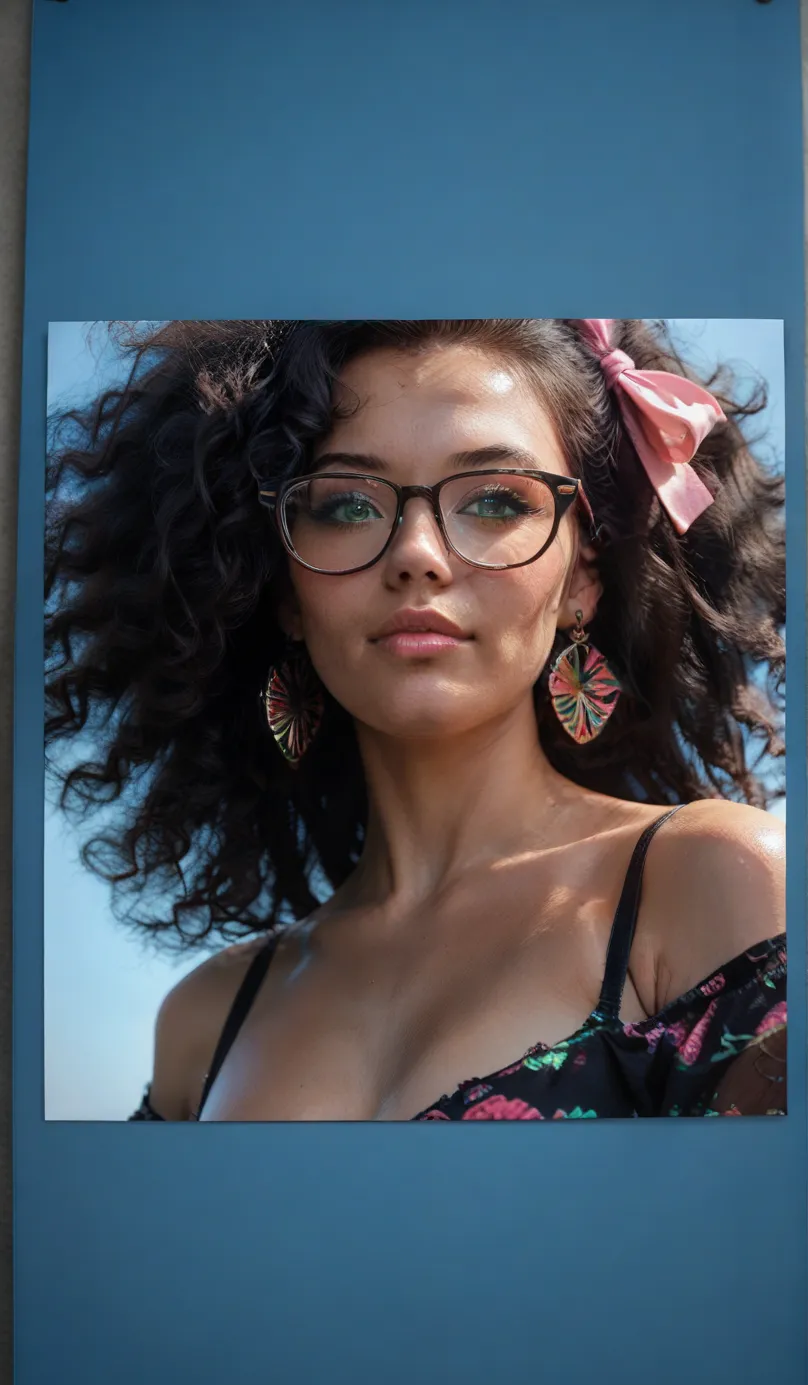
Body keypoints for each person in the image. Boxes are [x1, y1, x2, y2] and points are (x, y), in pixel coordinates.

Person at [45, 318, 787, 1122]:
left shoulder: (713, 882)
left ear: (583, 580)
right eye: (347, 506)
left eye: (497, 499)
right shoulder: (203, 1020)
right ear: (287, 590)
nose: (418, 553)